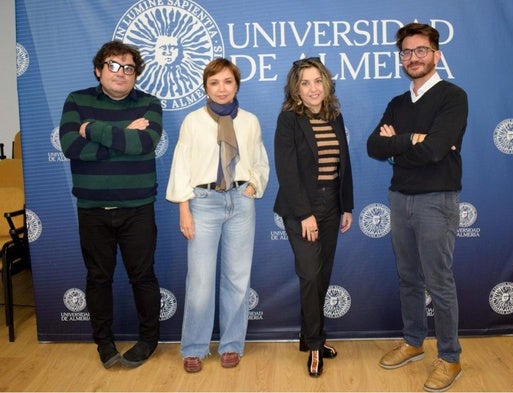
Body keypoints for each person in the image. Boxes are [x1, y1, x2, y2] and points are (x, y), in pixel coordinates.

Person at [367, 23, 468, 392]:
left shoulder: (453, 97)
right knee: (408, 277)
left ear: (436, 54)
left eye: (420, 50)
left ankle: (450, 358)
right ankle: (413, 342)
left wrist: (400, 149)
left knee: (438, 282)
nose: (413, 58)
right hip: (400, 198)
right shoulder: (397, 103)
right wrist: (411, 141)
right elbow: (373, 147)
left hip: (437, 199)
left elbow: (436, 150)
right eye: (406, 52)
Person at [59, 40, 163, 369]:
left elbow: (145, 142)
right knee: (98, 279)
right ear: (99, 70)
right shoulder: (77, 100)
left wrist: (93, 130)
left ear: (136, 74)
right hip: (92, 209)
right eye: (113, 66)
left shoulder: (150, 103)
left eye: (128, 68)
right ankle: (103, 342)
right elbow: (70, 146)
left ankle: (148, 340)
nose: (121, 73)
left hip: (138, 208)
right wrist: (122, 134)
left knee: (143, 276)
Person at [166, 58, 269, 373]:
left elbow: (260, 159)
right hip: (203, 202)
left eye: (227, 81)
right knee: (199, 279)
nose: (221, 88)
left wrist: (253, 185)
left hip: (240, 202)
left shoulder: (250, 121)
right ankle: (194, 347)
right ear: (205, 87)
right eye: (214, 82)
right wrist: (184, 208)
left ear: (236, 84)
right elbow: (182, 165)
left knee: (237, 277)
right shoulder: (193, 121)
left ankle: (231, 344)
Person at [274, 57, 354, 377]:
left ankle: (312, 337)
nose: (312, 89)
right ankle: (314, 344)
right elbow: (287, 171)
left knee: (322, 276)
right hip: (301, 210)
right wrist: (305, 213)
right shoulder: (289, 120)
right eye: (305, 83)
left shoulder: (335, 116)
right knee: (309, 275)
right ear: (296, 88)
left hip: (332, 207)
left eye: (317, 81)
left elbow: (343, 165)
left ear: (326, 83)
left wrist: (346, 205)